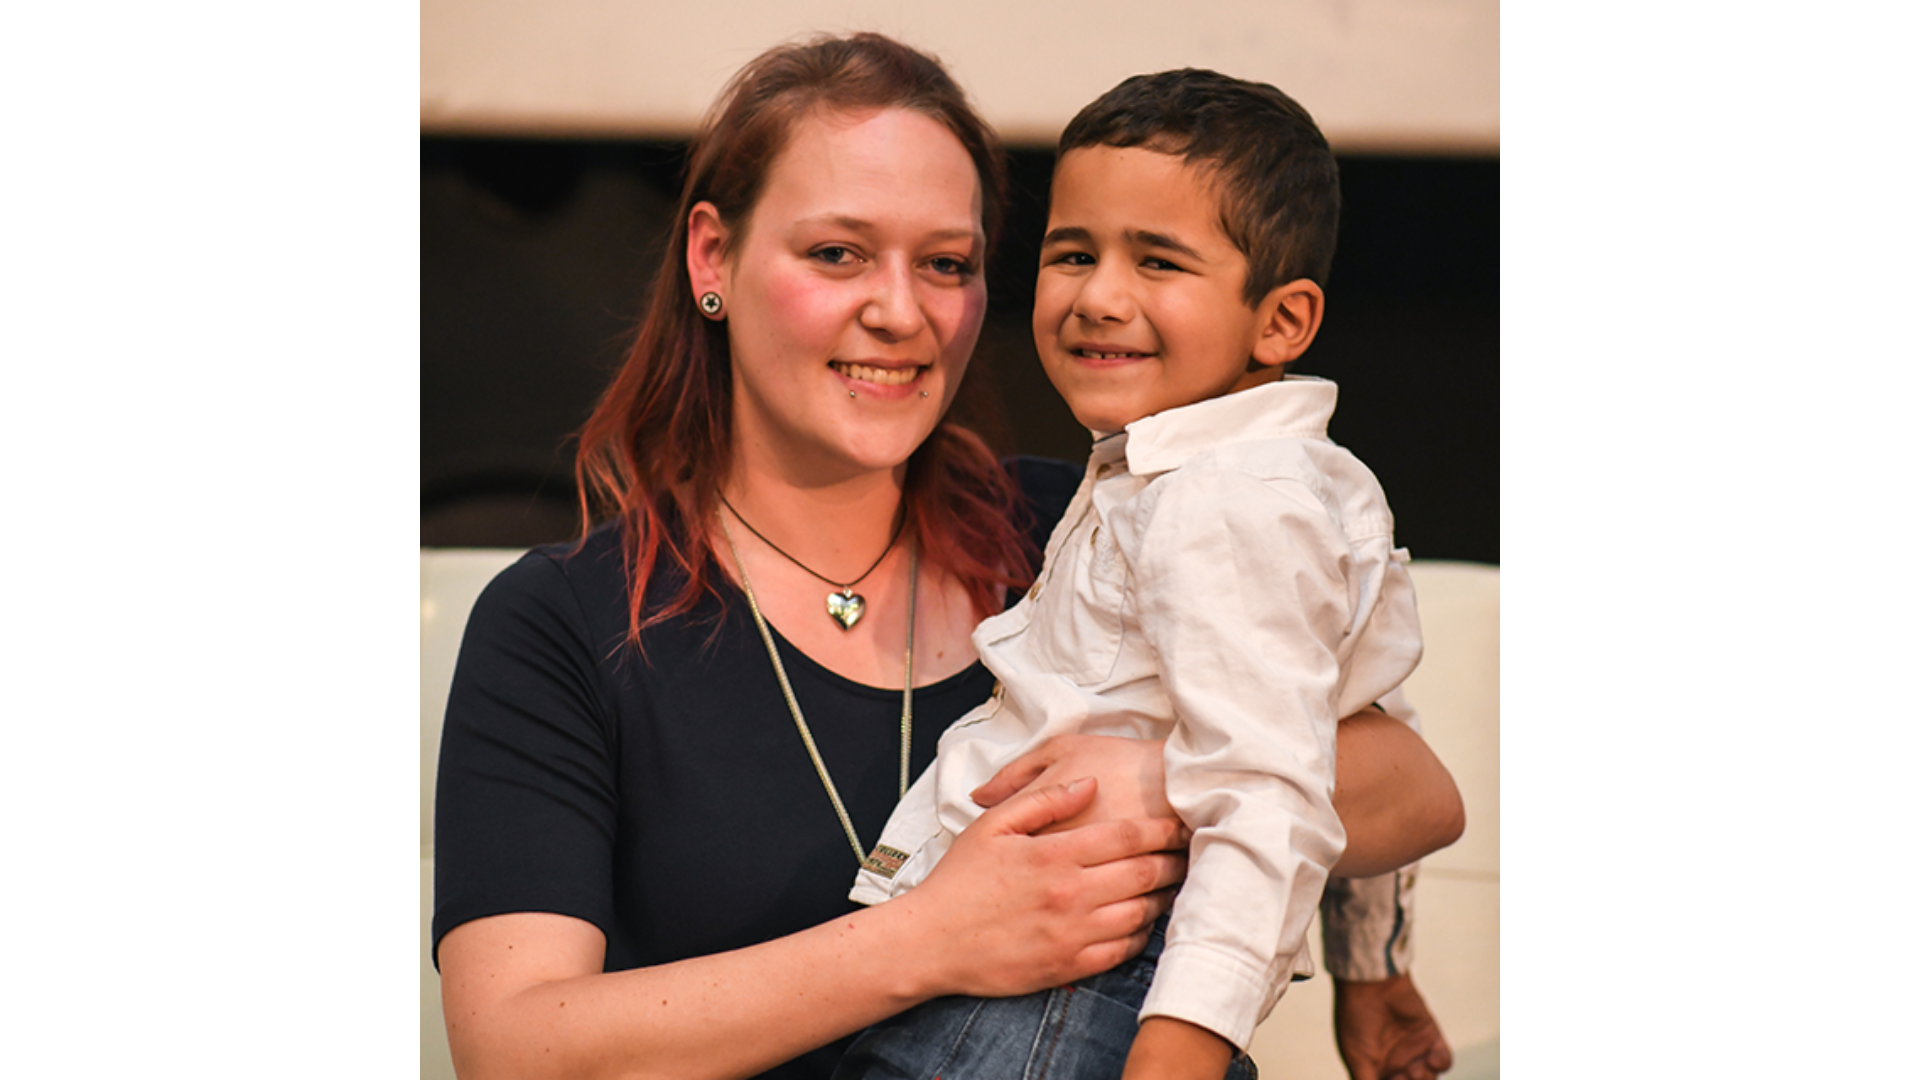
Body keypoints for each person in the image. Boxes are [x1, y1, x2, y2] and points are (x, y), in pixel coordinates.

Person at [432, 33, 1463, 1080]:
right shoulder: (566, 622)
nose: (899, 311)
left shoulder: (1083, 525)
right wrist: (929, 938)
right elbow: (515, 1048)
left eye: (946, 264)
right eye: (837, 253)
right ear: (713, 259)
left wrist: (1152, 780)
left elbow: (1418, 793)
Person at [839, 70, 1453, 1080]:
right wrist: (1372, 968)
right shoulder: (1223, 479)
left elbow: (1271, 789)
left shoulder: (1224, 501)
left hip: (1072, 997)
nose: (1098, 297)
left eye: (1158, 261)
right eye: (1072, 253)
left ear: (1283, 323)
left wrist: (1182, 1050)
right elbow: (1348, 723)